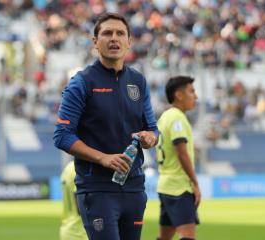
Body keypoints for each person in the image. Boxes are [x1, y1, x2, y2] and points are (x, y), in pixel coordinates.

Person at [53, 12, 158, 240]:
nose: (114, 38)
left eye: (120, 33)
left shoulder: (138, 82)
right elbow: (61, 135)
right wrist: (102, 158)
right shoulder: (82, 82)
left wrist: (151, 138)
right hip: (97, 188)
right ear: (95, 42)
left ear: (129, 42)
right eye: (107, 33)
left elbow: (153, 128)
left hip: (134, 188)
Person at [156, 76, 201, 240]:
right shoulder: (177, 118)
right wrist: (195, 182)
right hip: (179, 187)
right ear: (179, 95)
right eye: (192, 91)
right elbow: (181, 152)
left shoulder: (165, 117)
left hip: (166, 185)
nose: (195, 96)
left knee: (164, 237)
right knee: (188, 236)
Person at [60, 161, 87, 240]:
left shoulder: (68, 167)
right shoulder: (80, 168)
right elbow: (81, 206)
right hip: (81, 232)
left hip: (67, 230)